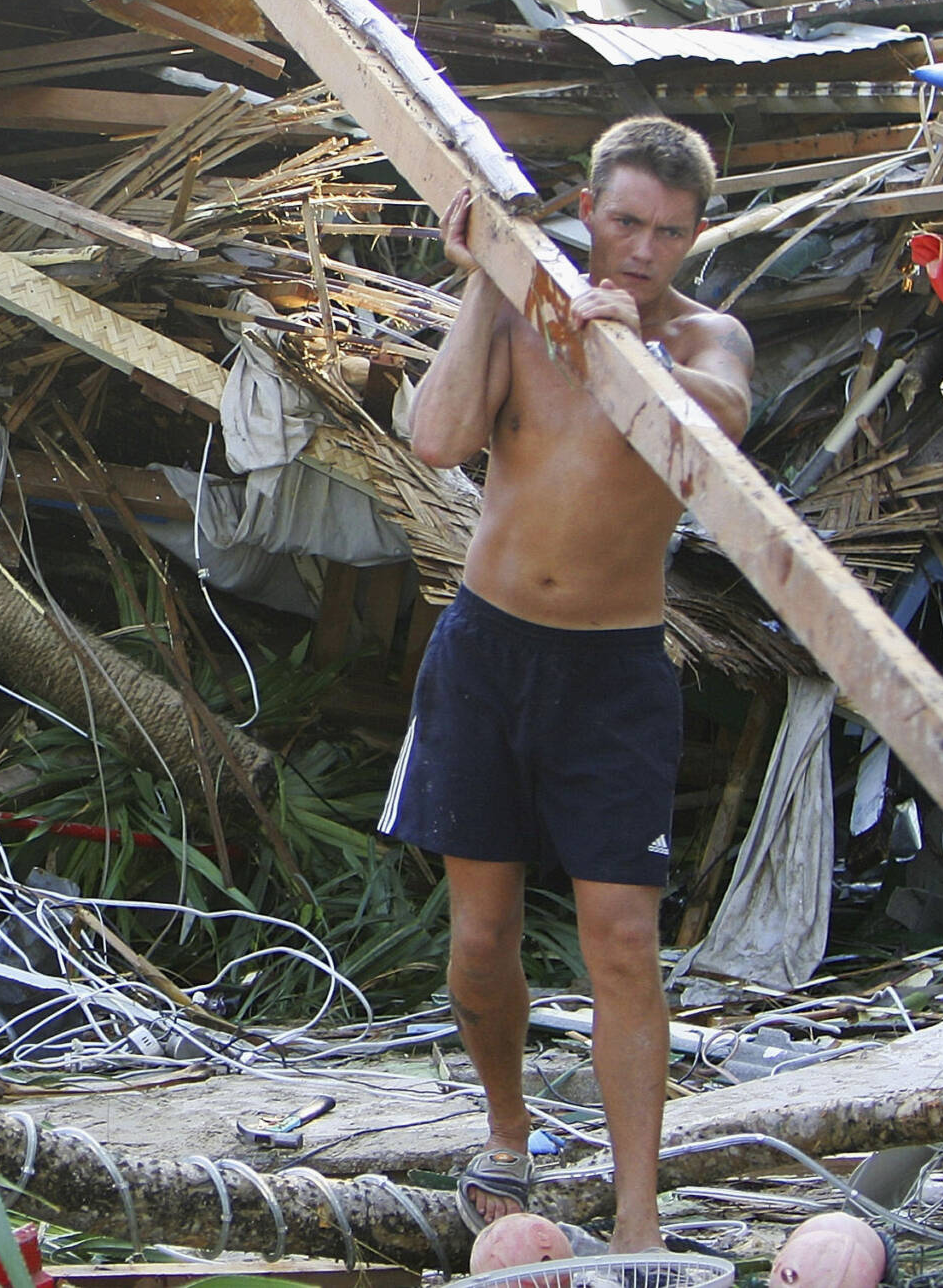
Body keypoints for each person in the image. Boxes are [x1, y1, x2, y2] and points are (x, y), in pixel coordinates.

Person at [383, 115, 754, 1253]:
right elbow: (437, 438)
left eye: (669, 232)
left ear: (695, 236)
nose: (642, 250)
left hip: (612, 673)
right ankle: (507, 1129)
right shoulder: (527, 308)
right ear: (587, 209)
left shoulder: (705, 334)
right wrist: (491, 288)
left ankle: (638, 1217)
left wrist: (632, 343)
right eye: (626, 221)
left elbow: (723, 421)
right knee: (482, 938)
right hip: (487, 655)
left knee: (622, 943)